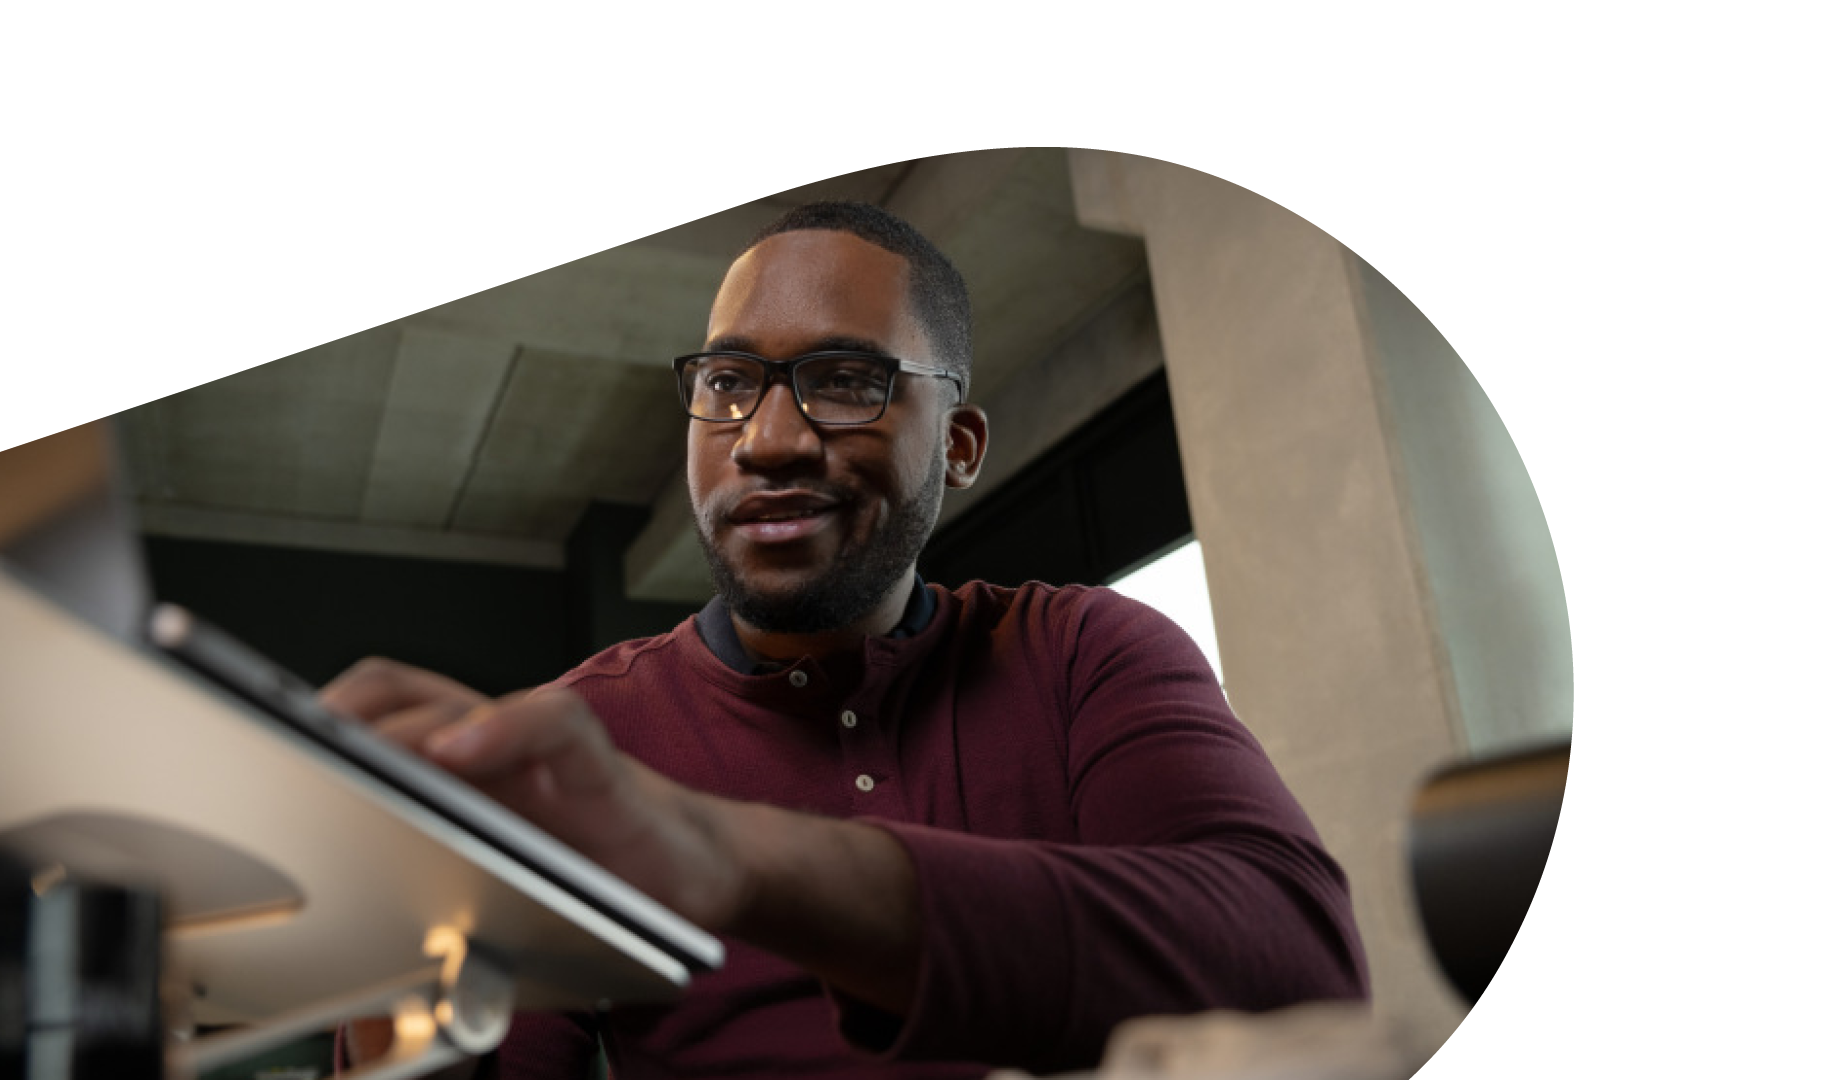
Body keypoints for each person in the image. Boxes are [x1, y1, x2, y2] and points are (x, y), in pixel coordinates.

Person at [327, 202, 1367, 1078]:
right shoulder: (584, 731)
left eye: (845, 380)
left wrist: (728, 857)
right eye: (728, 383)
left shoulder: (1082, 651)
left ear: (956, 448)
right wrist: (388, 967)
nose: (768, 440)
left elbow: (1300, 965)